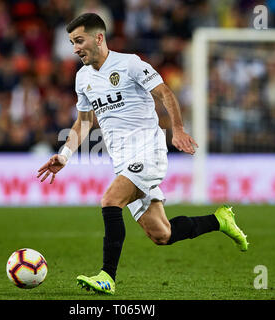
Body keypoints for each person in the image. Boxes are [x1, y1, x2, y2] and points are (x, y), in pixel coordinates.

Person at [37, 13, 248, 295]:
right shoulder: (83, 77)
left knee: (110, 200)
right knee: (162, 234)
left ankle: (107, 277)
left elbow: (164, 93)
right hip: (122, 161)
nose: (74, 48)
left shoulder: (130, 64)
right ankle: (220, 219)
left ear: (98, 38)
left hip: (149, 151)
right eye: (72, 42)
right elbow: (84, 122)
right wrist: (63, 155)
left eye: (79, 40)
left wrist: (178, 129)